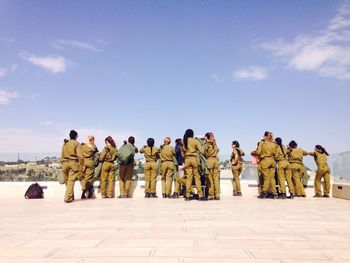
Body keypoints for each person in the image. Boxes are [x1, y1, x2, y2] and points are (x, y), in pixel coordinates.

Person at [182, 129, 205, 201]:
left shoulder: (184, 142)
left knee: (189, 178)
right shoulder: (195, 141)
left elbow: (183, 152)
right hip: (194, 159)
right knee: (197, 177)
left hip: (187, 159)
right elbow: (202, 151)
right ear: (192, 134)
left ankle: (187, 195)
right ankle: (200, 195)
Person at [61, 130, 82, 203]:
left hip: (64, 164)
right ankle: (68, 197)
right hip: (73, 163)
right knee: (71, 181)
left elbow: (62, 154)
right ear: (75, 136)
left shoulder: (65, 144)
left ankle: (71, 196)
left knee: (67, 182)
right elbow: (80, 156)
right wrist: (82, 164)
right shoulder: (76, 143)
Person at [256, 132, 278, 199]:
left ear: (265, 136)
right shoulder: (274, 143)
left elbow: (258, 152)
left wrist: (257, 154)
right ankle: (274, 193)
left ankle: (264, 193)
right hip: (273, 161)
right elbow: (276, 155)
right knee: (272, 178)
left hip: (265, 160)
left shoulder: (262, 142)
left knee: (266, 177)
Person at [204, 132, 220, 200]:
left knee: (209, 179)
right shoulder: (215, 144)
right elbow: (217, 151)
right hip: (216, 161)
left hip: (209, 160)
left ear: (207, 137)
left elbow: (203, 152)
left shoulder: (207, 144)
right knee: (216, 179)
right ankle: (217, 195)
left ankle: (211, 195)